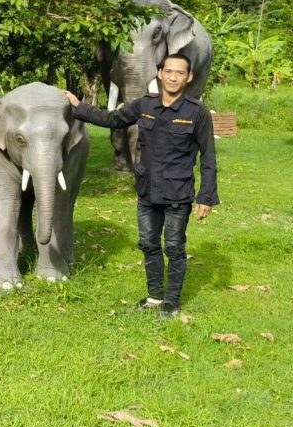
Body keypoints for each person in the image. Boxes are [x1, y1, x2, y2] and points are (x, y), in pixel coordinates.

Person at [64, 53, 218, 319]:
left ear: (189, 77)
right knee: (148, 244)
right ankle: (154, 297)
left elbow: (209, 156)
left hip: (177, 194)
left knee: (174, 247)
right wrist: (80, 107)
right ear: (159, 73)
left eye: (179, 72)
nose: (172, 76)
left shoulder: (197, 112)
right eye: (168, 71)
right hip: (147, 190)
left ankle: (171, 301)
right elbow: (113, 119)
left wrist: (206, 197)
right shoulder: (145, 105)